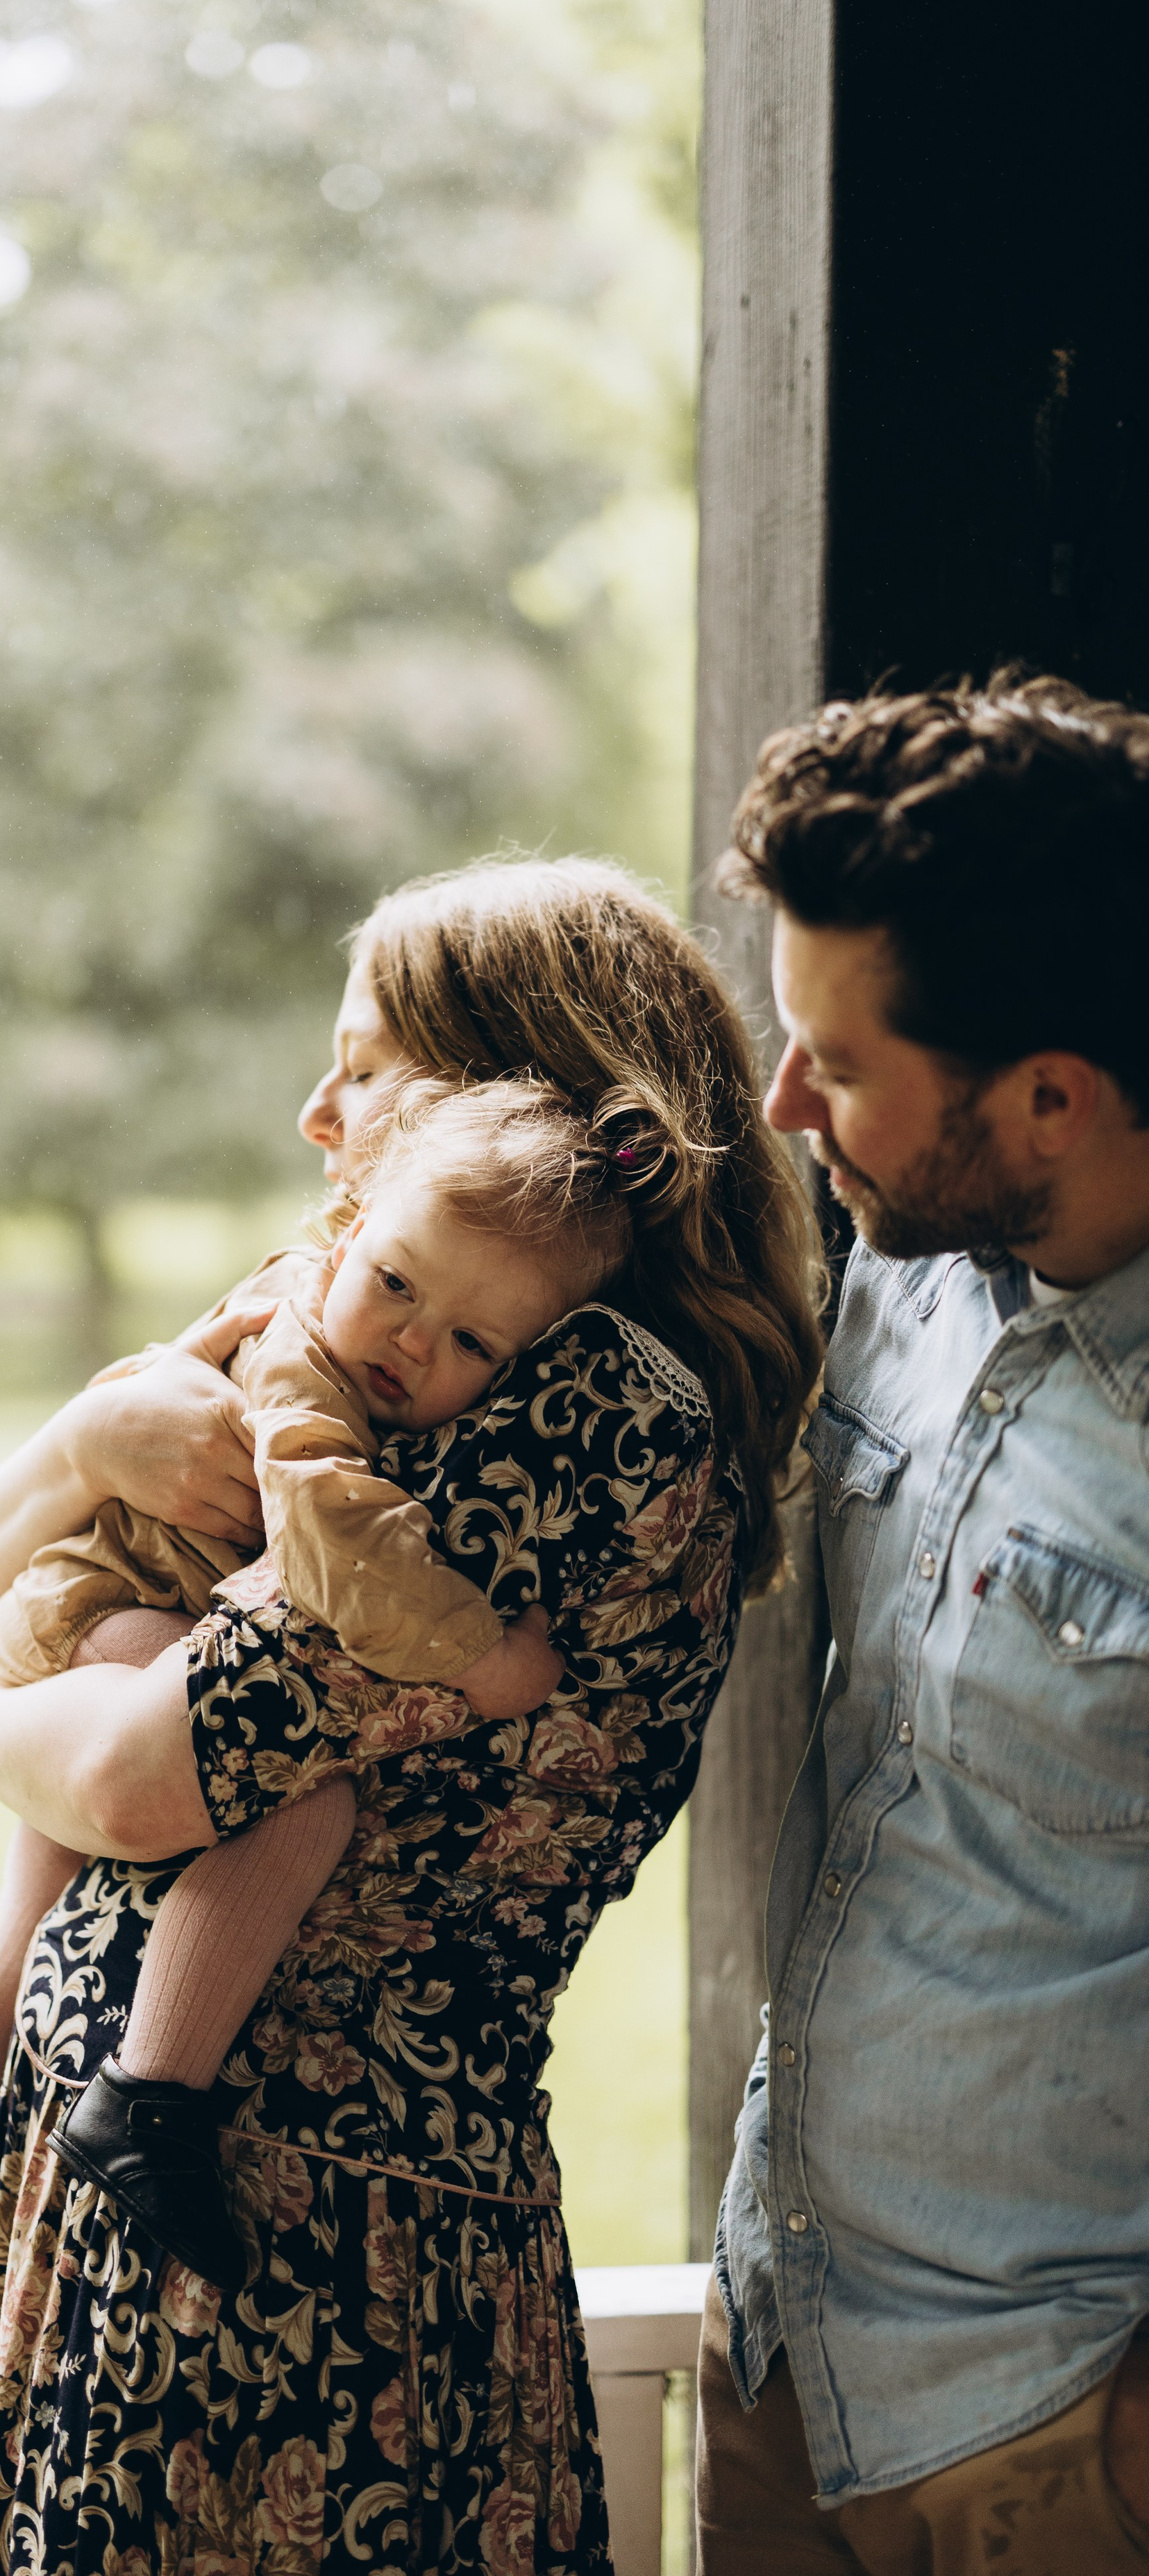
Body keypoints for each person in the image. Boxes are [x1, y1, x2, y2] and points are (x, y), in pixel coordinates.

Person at [0, 856, 823, 2575]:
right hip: (163, 2192)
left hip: (306, 2259)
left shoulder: (580, 1409)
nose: (317, 1112)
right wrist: (80, 1452)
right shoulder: (385, 1333)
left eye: (369, 1069)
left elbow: (128, 1775)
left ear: (521, 1109)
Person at [0, 1076, 630, 2304]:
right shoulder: (305, 1357)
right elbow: (334, 1539)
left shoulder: (331, 1307)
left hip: (83, 1602)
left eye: (475, 1343)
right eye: (401, 1287)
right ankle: (151, 2100)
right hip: (101, 1613)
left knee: (26, 1918)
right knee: (299, 1801)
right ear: (353, 1225)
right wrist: (483, 1659)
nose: (415, 1343)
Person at [700, 673, 1149, 2574]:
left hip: (1055, 2421)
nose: (789, 1108)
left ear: (1049, 1094)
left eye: (841, 1065)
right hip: (782, 2346)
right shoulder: (907, 1267)